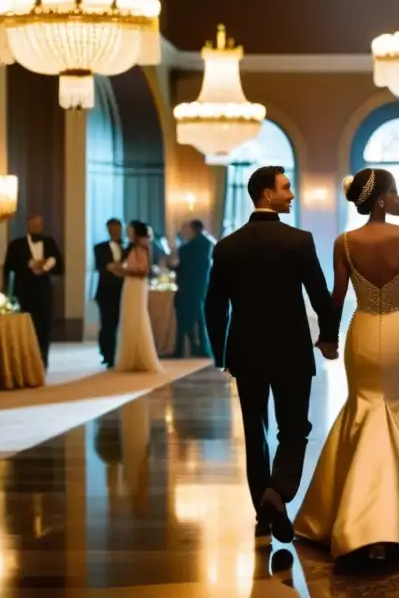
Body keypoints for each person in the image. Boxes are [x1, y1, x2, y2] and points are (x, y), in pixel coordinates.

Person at [294, 168, 399, 559]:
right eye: (396, 192)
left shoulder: (344, 242)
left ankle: (356, 515)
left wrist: (328, 337)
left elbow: (336, 298)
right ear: (382, 200)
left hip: (362, 334)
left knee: (365, 406)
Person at [205, 165, 339, 547]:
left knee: (255, 432)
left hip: (245, 351)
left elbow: (213, 306)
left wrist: (220, 351)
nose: (292, 194)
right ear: (267, 195)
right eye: (285, 188)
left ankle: (263, 509)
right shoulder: (298, 241)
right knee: (294, 429)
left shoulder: (227, 246)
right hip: (292, 350)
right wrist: (328, 336)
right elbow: (319, 294)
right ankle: (277, 494)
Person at [3, 214, 63, 369]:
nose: (36, 227)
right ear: (28, 225)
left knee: (44, 328)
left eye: (39, 224)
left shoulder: (50, 243)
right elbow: (8, 267)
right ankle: (24, 364)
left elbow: (60, 267)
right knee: (25, 328)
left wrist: (47, 265)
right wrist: (29, 264)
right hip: (23, 292)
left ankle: (43, 363)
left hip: (44, 292)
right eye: (33, 224)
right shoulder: (16, 245)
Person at [110, 220, 163, 374]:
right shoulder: (132, 248)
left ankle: (139, 356)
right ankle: (130, 357)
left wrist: (122, 270)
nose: (127, 233)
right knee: (129, 317)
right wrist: (117, 270)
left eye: (130, 230)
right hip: (129, 284)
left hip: (137, 285)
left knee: (136, 317)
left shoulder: (141, 248)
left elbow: (143, 271)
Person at [172, 219, 214, 358]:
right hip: (198, 287)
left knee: (190, 318)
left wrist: (171, 264)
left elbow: (182, 266)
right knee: (195, 318)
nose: (182, 232)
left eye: (184, 229)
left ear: (192, 230)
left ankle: (191, 349)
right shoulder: (206, 243)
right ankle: (194, 349)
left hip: (190, 288)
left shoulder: (190, 247)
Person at [93, 218, 126, 369]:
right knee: (107, 324)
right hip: (105, 291)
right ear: (108, 230)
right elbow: (101, 266)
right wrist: (114, 268)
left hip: (123, 291)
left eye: (118, 229)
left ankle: (119, 353)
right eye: (113, 229)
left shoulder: (127, 247)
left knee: (120, 323)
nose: (116, 232)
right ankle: (107, 355)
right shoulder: (100, 248)